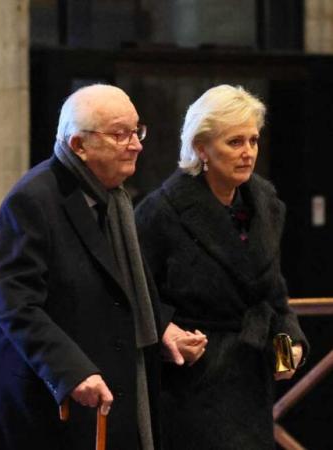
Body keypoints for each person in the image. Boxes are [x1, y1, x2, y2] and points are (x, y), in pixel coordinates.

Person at [0, 84, 206, 450]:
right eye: (120, 135)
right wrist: (72, 370)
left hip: (104, 399)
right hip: (43, 406)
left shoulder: (114, 199)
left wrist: (161, 327)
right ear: (79, 145)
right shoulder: (32, 200)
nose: (136, 144)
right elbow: (14, 304)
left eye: (136, 131)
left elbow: (120, 289)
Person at [135, 84, 309, 449]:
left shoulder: (265, 203)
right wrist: (169, 334)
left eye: (253, 141)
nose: (248, 153)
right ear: (201, 148)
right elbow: (135, 295)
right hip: (191, 385)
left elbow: (271, 295)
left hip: (251, 380)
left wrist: (286, 348)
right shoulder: (161, 211)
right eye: (234, 143)